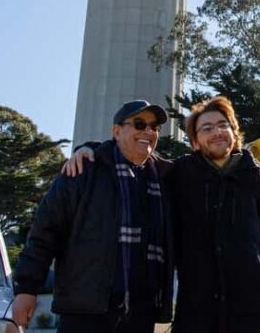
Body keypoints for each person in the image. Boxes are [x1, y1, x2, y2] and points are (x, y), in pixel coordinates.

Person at [65, 95, 260, 333]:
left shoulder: (256, 176)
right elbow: (134, 152)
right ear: (195, 140)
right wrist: (89, 149)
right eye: (207, 128)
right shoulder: (181, 173)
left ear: (234, 131)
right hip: (197, 313)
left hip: (250, 310)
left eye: (223, 125)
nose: (217, 133)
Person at [12, 100, 174, 333]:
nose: (148, 132)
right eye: (139, 124)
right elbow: (46, 231)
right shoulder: (83, 170)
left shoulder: (164, 178)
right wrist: (26, 288)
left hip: (141, 312)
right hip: (86, 310)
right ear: (116, 131)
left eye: (155, 127)